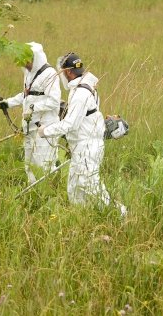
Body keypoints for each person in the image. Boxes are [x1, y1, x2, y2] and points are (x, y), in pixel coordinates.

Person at [37, 52, 126, 216]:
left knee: (91, 186)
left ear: (68, 72)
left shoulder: (80, 93)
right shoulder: (83, 87)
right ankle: (82, 218)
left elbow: (71, 124)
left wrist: (45, 131)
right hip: (80, 146)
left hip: (87, 148)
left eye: (62, 73)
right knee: (74, 188)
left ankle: (120, 215)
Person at [0, 42, 61, 184]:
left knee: (44, 164)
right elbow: (27, 94)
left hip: (45, 127)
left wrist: (33, 107)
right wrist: (8, 102)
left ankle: (49, 193)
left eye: (26, 61)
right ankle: (34, 192)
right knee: (29, 164)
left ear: (35, 58)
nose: (24, 64)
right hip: (29, 126)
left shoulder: (50, 74)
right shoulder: (28, 74)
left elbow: (54, 101)